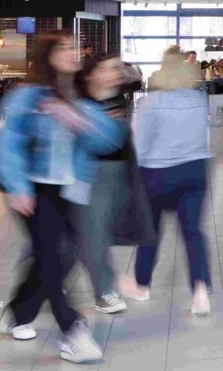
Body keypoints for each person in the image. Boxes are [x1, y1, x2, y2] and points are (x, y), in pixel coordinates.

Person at [0, 31, 123, 363]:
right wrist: (18, 187)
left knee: (59, 258)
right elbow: (8, 145)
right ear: (48, 55)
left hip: (71, 189)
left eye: (73, 47)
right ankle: (72, 331)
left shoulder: (77, 96)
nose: (73, 52)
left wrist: (80, 121)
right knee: (51, 257)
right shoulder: (28, 97)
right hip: (35, 189)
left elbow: (109, 140)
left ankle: (20, 311)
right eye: (64, 48)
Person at [126, 51, 212, 316]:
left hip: (157, 174)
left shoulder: (150, 103)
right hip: (195, 170)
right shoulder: (199, 100)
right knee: (192, 232)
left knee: (150, 232)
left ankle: (142, 286)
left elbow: (140, 146)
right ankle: (200, 291)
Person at [74, 53, 140, 316]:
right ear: (91, 74)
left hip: (118, 173)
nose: (115, 73)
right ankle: (104, 292)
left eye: (117, 68)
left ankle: (45, 281)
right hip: (91, 174)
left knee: (80, 235)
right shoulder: (79, 103)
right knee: (94, 233)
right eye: (108, 68)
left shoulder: (117, 97)